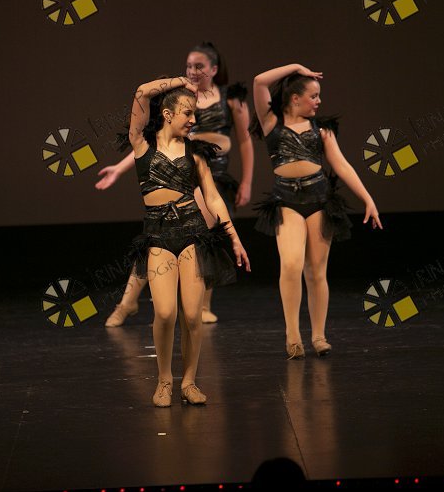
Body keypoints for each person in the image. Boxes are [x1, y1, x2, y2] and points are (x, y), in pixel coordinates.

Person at [97, 42, 253, 325]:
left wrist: (248, 181)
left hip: (213, 175)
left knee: (204, 236)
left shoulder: (230, 99)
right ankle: (128, 302)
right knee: (163, 235)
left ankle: (200, 304)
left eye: (199, 66)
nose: (192, 71)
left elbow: (244, 141)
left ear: (214, 69)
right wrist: (119, 169)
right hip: (182, 175)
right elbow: (153, 146)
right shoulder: (180, 100)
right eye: (189, 66)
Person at [123, 75, 250, 406]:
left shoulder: (195, 153)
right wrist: (183, 81)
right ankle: (164, 380)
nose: (193, 119)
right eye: (187, 113)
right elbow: (142, 91)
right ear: (167, 114)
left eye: (195, 113)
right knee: (165, 313)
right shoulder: (142, 145)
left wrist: (234, 238)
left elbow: (213, 198)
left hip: (193, 233)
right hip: (158, 237)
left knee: (192, 316)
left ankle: (189, 381)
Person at [251, 63, 382, 359]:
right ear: (295, 98)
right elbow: (259, 81)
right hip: (286, 200)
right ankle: (293, 334)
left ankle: (319, 336)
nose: (319, 101)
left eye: (319, 96)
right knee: (291, 265)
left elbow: (341, 165)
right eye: (313, 96)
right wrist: (296, 67)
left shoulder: (321, 130)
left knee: (316, 272)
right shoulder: (271, 122)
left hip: (318, 199)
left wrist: (367, 198)